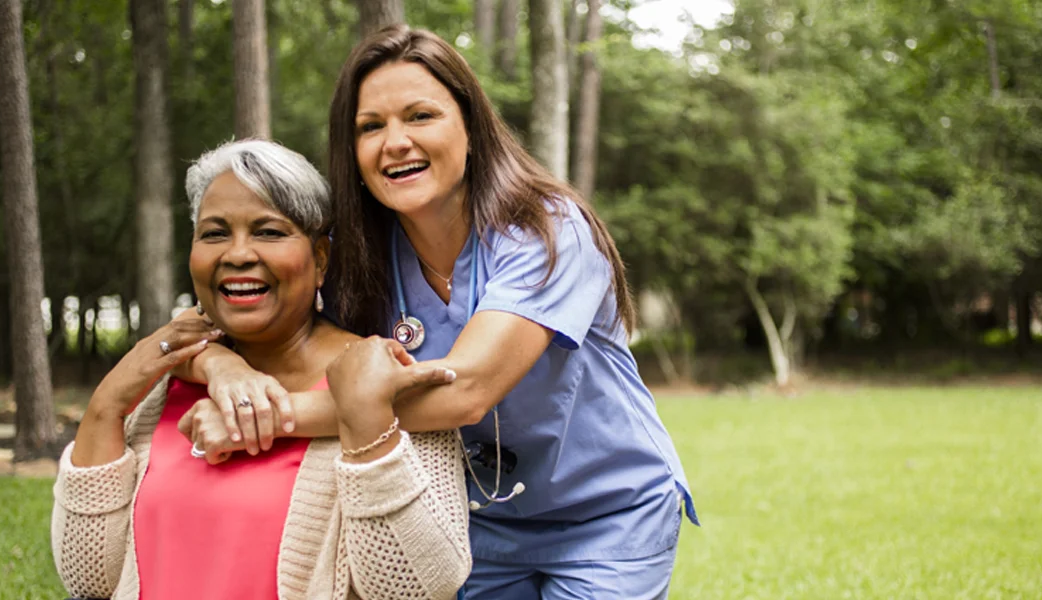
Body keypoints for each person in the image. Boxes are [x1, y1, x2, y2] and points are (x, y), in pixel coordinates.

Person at [186, 26, 698, 600]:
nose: (395, 142)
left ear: (471, 127)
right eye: (371, 127)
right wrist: (221, 368)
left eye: (420, 116)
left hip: (606, 516)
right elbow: (219, 321)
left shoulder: (548, 230)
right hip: (475, 525)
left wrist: (259, 419)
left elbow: (466, 391)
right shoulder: (356, 256)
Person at [50, 139, 471, 600]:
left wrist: (367, 417)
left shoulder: (382, 379)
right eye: (214, 233)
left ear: (320, 259)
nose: (237, 254)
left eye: (268, 232)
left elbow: (417, 588)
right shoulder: (162, 387)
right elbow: (88, 577)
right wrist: (108, 404)